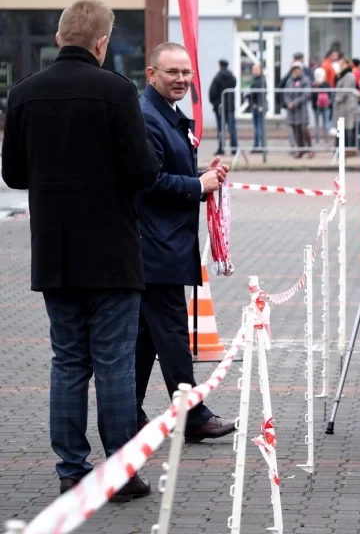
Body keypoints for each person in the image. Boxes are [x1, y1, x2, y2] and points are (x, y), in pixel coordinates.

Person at [1, 0, 160, 498]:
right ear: (102, 43)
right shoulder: (117, 92)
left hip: (54, 251)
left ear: (57, 39)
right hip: (112, 251)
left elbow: (12, 174)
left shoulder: (24, 94)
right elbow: (144, 171)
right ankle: (119, 472)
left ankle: (72, 467)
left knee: (68, 360)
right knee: (114, 362)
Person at [135, 42, 237, 444]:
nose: (180, 80)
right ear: (151, 74)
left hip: (167, 242)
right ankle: (191, 414)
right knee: (174, 333)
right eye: (171, 72)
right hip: (155, 244)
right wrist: (198, 185)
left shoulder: (172, 114)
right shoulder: (146, 117)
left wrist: (201, 173)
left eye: (186, 73)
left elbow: (170, 168)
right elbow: (149, 182)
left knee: (146, 336)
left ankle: (127, 411)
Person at [283, 62, 314, 158]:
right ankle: (300, 149)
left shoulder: (305, 80)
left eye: (297, 69)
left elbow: (306, 94)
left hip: (301, 108)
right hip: (292, 110)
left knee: (303, 128)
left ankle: (309, 149)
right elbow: (286, 94)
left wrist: (295, 103)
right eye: (294, 69)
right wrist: (289, 103)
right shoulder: (290, 81)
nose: (296, 71)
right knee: (296, 129)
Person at [209, 59, 238, 155]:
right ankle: (234, 148)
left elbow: (212, 92)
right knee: (232, 128)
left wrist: (214, 102)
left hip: (220, 107)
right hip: (230, 106)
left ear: (220, 66)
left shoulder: (217, 77)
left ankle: (221, 148)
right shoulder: (232, 77)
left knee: (221, 129)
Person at [245, 63, 267, 152]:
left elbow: (256, 93)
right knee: (258, 127)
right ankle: (259, 146)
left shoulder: (260, 81)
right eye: (253, 70)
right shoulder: (257, 80)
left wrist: (249, 96)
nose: (254, 71)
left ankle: (258, 147)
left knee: (259, 127)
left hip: (258, 106)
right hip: (257, 106)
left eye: (256, 70)